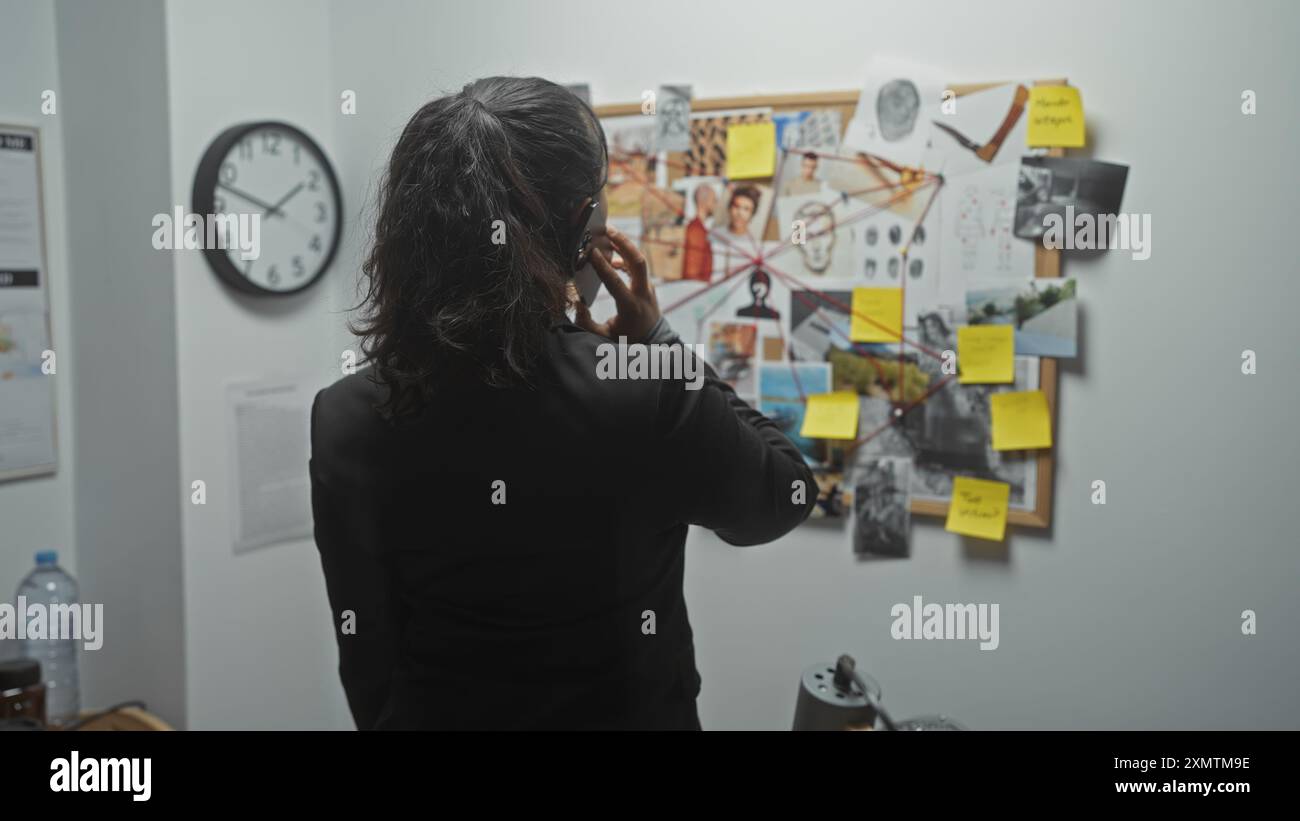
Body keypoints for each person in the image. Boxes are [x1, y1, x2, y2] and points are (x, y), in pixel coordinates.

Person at [309, 76, 816, 731]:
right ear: (584, 227)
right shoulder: (639, 387)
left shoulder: (344, 417)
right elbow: (781, 497)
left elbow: (368, 660)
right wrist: (658, 344)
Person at [681, 184, 715, 282]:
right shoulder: (696, 230)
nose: (715, 205)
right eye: (713, 200)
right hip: (695, 288)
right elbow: (692, 272)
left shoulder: (700, 229)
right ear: (704, 201)